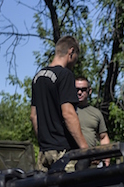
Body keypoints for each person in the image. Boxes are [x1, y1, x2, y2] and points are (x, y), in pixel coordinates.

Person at [30, 36, 89, 172]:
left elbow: (34, 116)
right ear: (71, 52)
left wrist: (45, 143)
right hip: (63, 153)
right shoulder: (65, 75)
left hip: (44, 153)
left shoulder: (38, 77)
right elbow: (68, 113)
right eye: (76, 58)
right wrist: (85, 149)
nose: (74, 62)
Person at [74, 76, 111, 187]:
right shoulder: (67, 110)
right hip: (69, 161)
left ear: (89, 91)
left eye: (83, 89)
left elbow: (103, 137)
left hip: (90, 162)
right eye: (76, 89)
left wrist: (106, 155)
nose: (79, 92)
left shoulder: (96, 113)